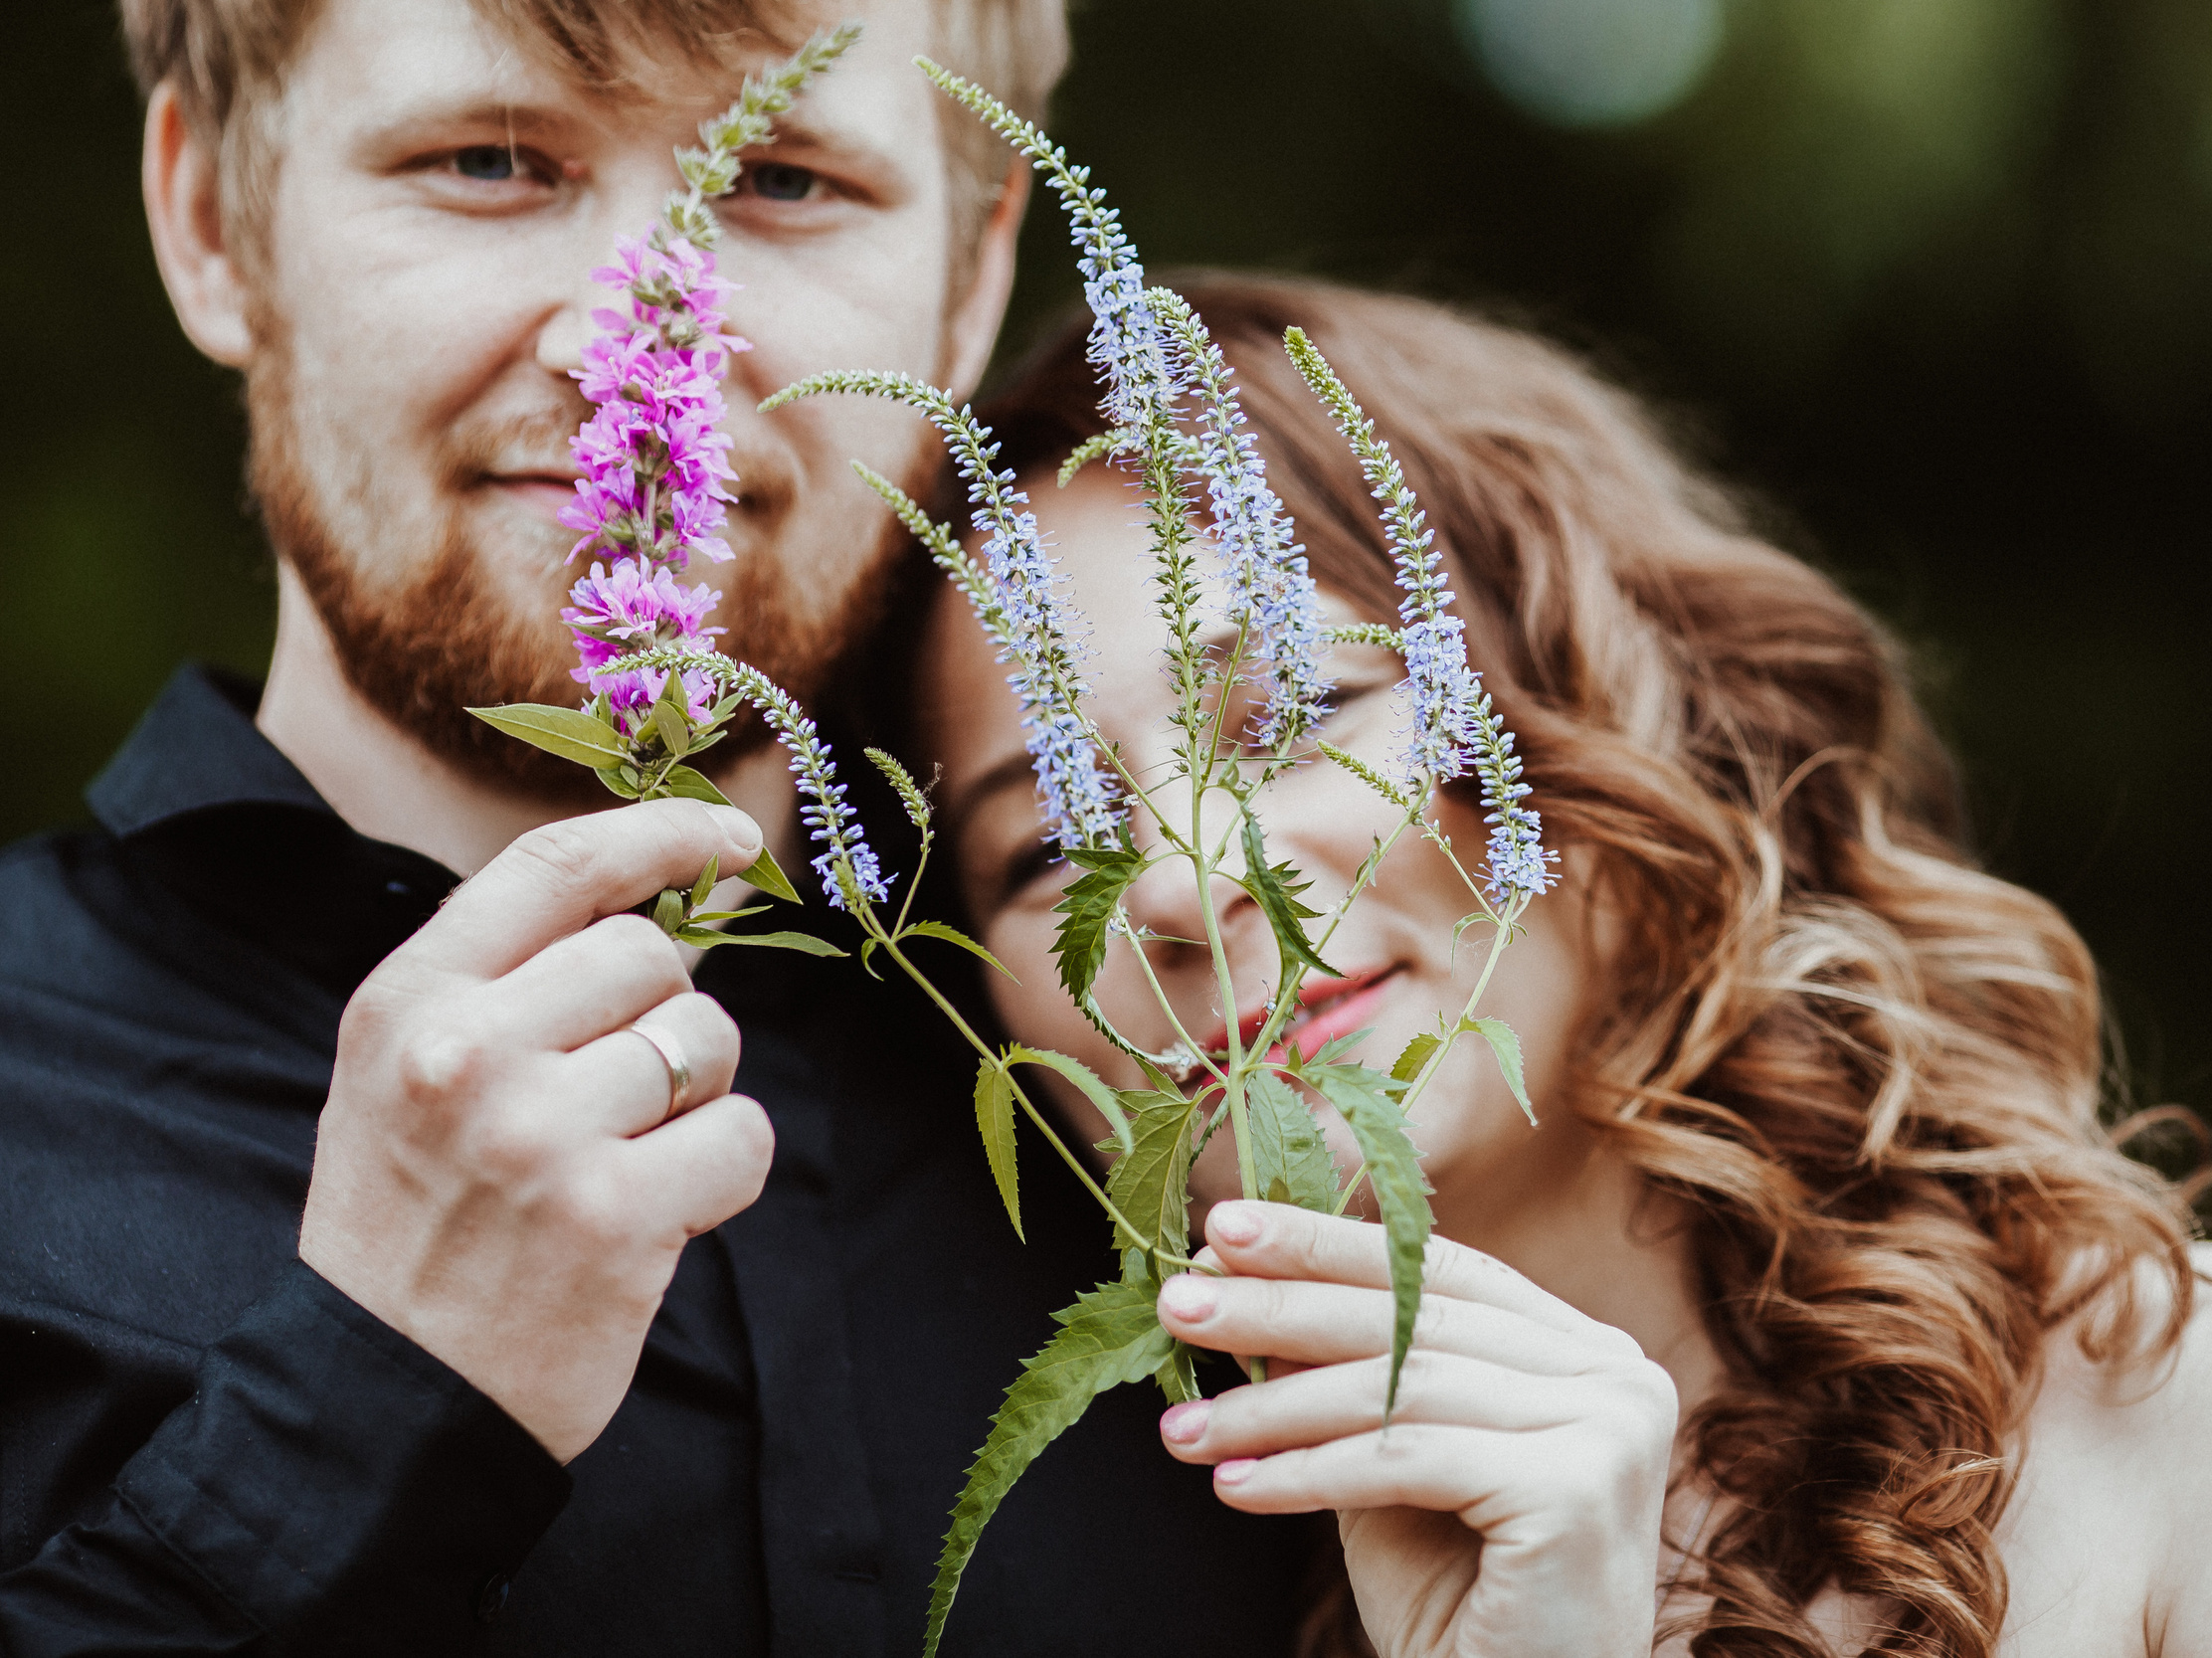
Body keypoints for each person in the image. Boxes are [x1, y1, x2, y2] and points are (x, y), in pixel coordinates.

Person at [912, 275, 2212, 1657]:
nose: (1188, 886)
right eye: (1044, 852)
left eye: (1287, 715)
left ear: (1599, 696)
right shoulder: (1097, 1595)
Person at [0, 4, 1320, 1653]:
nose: (639, 342)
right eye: (486, 162)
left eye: (782, 180)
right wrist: (360, 1416)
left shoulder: (1177, 1089)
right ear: (212, 224)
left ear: (973, 284)